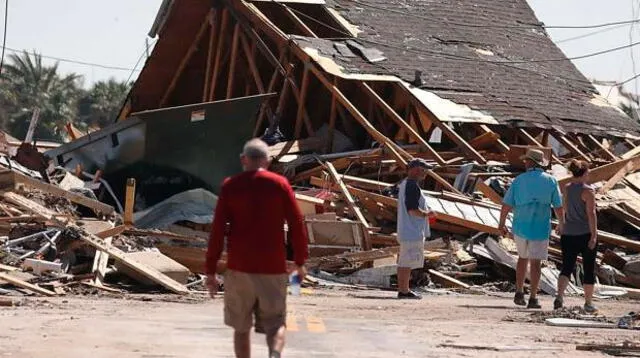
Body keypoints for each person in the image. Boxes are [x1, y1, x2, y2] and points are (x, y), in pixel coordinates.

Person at [205, 138, 309, 358]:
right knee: (276, 323)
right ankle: (274, 354)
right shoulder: (280, 185)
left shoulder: (231, 186)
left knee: (241, 329)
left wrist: (211, 270)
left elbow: (216, 231)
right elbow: (297, 224)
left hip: (239, 267)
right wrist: (299, 261)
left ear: (244, 159)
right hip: (272, 267)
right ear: (268, 161)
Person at [498, 148, 563, 309]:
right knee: (536, 263)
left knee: (522, 258)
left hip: (521, 226)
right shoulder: (551, 181)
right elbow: (558, 206)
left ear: (530, 162)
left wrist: (501, 223)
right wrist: (562, 223)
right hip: (540, 227)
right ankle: (533, 297)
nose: (525, 163)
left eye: (526, 160)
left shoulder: (519, 180)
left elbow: (506, 204)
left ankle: (519, 292)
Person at [554, 160, 598, 313]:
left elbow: (563, 209)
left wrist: (561, 225)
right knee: (588, 268)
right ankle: (588, 302)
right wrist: (594, 235)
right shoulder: (588, 191)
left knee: (566, 266)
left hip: (568, 233)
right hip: (584, 233)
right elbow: (591, 214)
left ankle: (559, 296)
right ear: (584, 173)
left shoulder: (566, 188)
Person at [396, 158, 436, 300]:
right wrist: (427, 214)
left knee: (406, 261)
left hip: (409, 229)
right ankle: (404, 291)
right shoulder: (411, 186)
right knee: (406, 262)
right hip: (411, 230)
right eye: (423, 170)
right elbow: (412, 210)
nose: (424, 173)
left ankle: (404, 289)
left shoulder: (406, 185)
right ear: (416, 170)